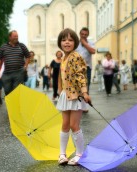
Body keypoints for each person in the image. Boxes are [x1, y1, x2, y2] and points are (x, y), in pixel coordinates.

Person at [56, 28, 91, 165]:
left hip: (76, 95)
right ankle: (62, 154)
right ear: (60, 43)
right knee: (65, 124)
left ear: (75, 42)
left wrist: (85, 92)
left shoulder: (75, 56)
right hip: (66, 94)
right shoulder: (64, 58)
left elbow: (81, 76)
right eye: (64, 40)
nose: (67, 42)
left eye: (70, 40)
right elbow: (60, 76)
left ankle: (80, 154)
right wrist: (60, 92)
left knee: (74, 125)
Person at [0, 30, 30, 95]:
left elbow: (28, 56)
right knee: (7, 90)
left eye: (17, 36)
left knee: (16, 90)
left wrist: (25, 66)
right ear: (10, 37)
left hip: (19, 72)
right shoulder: (4, 47)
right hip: (7, 73)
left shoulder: (21, 46)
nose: (16, 37)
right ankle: (11, 103)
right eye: (14, 36)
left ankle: (16, 104)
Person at [76, 27, 95, 92]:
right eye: (82, 34)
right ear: (80, 34)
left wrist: (84, 43)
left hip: (87, 67)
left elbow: (93, 51)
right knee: (77, 85)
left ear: (88, 35)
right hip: (77, 68)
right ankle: (78, 101)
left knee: (86, 85)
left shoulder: (91, 43)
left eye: (85, 34)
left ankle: (86, 101)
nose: (83, 35)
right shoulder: (76, 43)